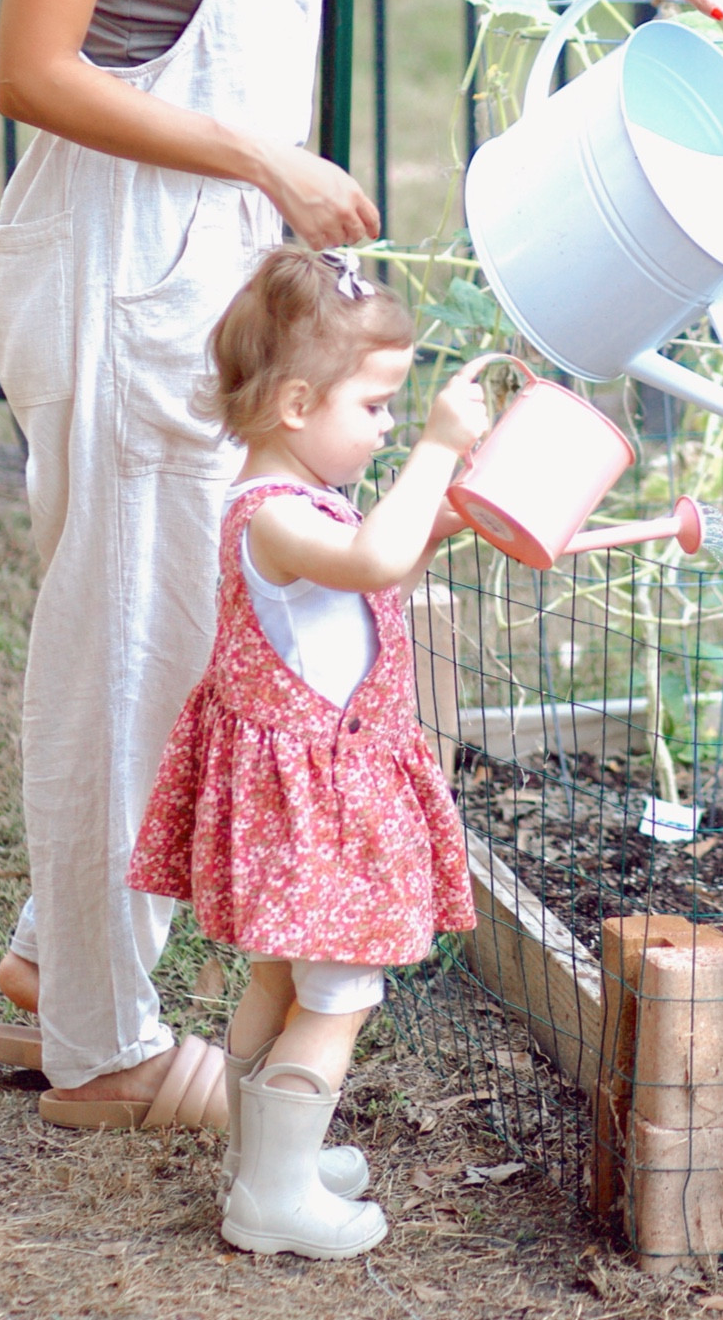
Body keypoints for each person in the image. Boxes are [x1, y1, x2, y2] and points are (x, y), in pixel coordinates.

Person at [0, 0, 723, 1122]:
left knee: (202, 629)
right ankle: (95, 1046)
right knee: (127, 646)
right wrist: (258, 155)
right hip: (114, 273)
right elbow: (28, 66)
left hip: (215, 271)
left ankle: (52, 953)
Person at [123, 246, 485, 1257]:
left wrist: (445, 515)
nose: (385, 429)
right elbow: (373, 558)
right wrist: (441, 449)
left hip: (295, 803)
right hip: (318, 811)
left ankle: (266, 1163)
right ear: (294, 403)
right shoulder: (277, 516)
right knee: (339, 991)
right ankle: (272, 1203)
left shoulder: (299, 507)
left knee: (278, 985)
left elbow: (378, 566)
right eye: (373, 409)